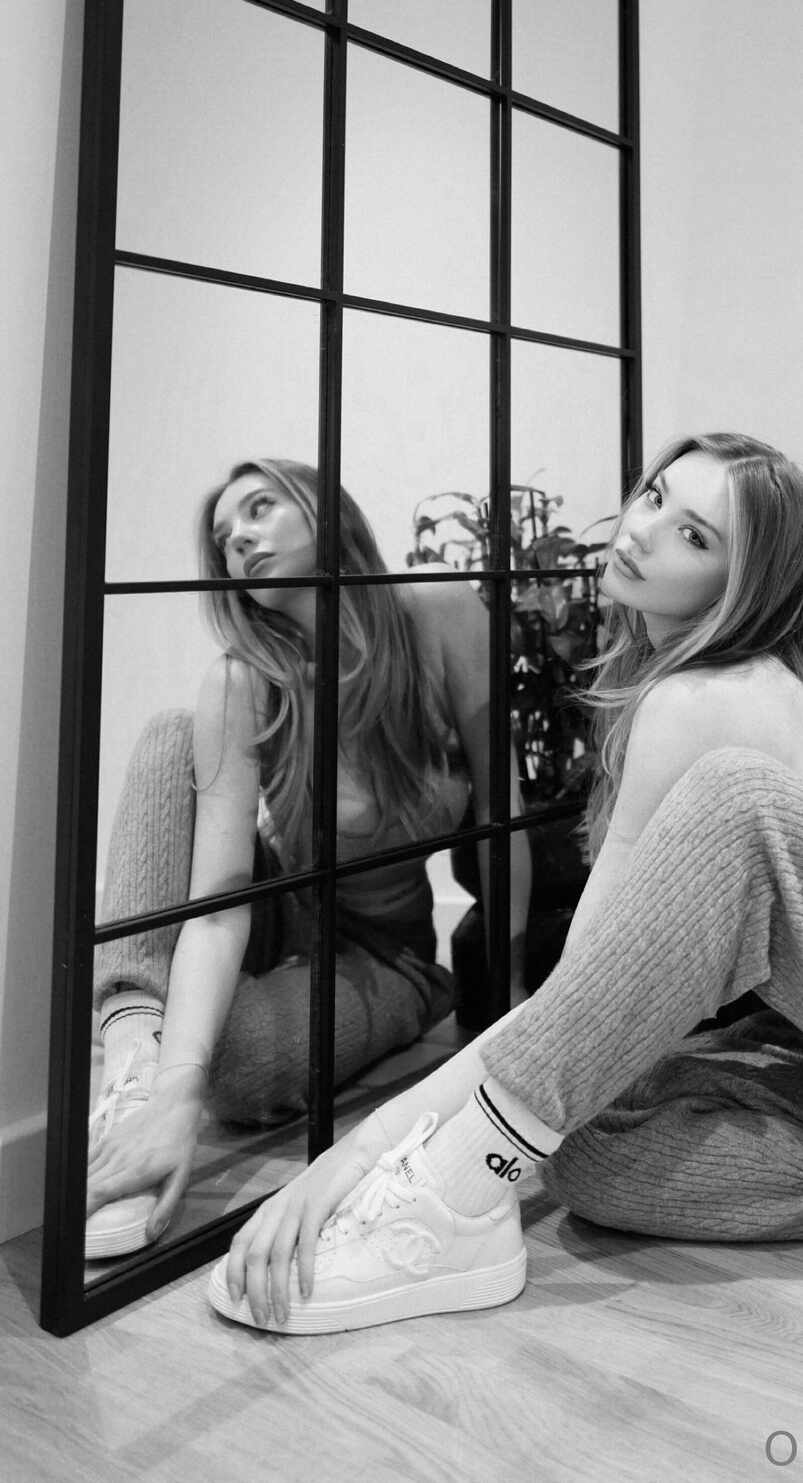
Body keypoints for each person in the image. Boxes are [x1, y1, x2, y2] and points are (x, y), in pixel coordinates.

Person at [210, 432, 803, 1333]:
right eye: (655, 497)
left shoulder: (710, 699)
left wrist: (368, 1150)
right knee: (592, 1148)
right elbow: (578, 1015)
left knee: (733, 802)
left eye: (694, 536)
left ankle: (450, 1207)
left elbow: (569, 1002)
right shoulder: (703, 685)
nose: (643, 531)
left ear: (741, 585)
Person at [86, 458, 531, 1258]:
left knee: (239, 1069)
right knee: (169, 733)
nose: (239, 540)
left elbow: (504, 817)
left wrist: (517, 997)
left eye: (260, 508)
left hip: (380, 953)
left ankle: (174, 1053)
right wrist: (176, 1090)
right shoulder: (247, 680)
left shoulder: (438, 614)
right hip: (272, 910)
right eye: (224, 537)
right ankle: (135, 1065)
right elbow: (217, 907)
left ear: (329, 508)